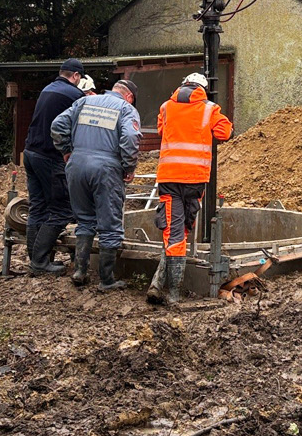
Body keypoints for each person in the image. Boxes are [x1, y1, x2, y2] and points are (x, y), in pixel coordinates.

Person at [148, 71, 233, 307]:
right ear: (203, 89)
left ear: (182, 85)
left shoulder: (166, 106)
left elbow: (161, 131)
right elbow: (224, 133)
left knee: (174, 232)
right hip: (195, 179)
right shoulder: (210, 109)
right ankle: (174, 293)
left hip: (168, 178)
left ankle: (160, 284)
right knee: (181, 231)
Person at [50, 78, 141, 291]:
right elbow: (130, 137)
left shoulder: (84, 102)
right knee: (109, 225)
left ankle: (80, 271)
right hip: (106, 168)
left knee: (84, 219)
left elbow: (57, 125)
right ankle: (107, 279)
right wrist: (128, 166)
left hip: (77, 165)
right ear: (129, 96)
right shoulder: (126, 109)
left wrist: (66, 150)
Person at [21, 58, 85, 275]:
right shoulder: (74, 95)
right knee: (61, 210)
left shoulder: (48, 89)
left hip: (30, 152)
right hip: (49, 156)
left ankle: (36, 259)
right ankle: (39, 262)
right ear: (75, 76)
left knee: (38, 206)